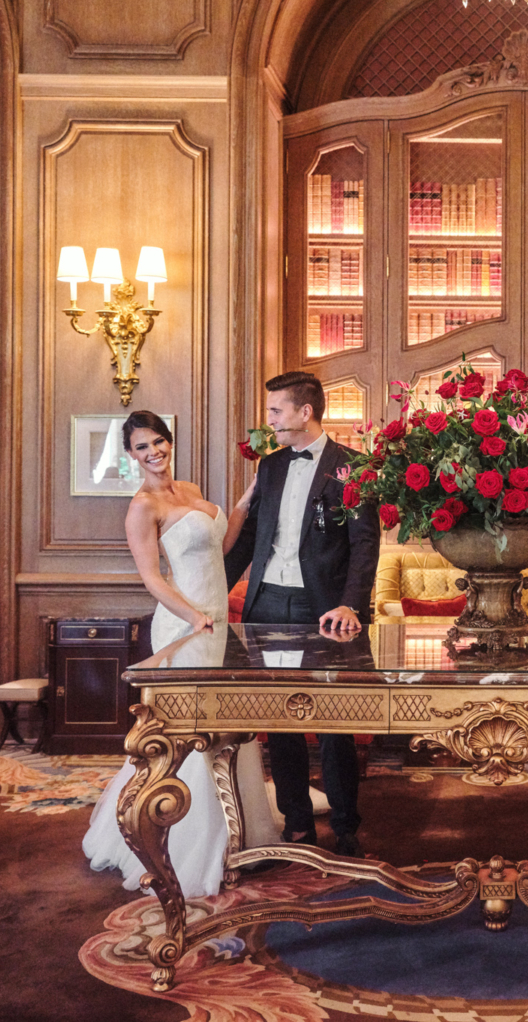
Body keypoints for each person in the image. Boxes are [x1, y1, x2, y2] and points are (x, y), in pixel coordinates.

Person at [82, 410, 281, 897]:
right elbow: (152, 578)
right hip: (184, 625)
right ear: (131, 455)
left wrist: (247, 498)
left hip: (218, 623)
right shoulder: (142, 506)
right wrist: (193, 617)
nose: (154, 452)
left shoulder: (190, 490)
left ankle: (242, 831)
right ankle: (187, 840)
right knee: (185, 734)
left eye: (159, 442)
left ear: (170, 442)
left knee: (225, 724)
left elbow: (224, 546)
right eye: (142, 446)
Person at [224, 371, 379, 857]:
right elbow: (251, 538)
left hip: (325, 609)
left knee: (334, 721)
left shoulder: (352, 467)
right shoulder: (268, 467)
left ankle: (346, 822)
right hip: (267, 602)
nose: (269, 420)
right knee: (282, 717)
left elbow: (364, 545)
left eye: (275, 412)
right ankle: (296, 821)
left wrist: (350, 603)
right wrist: (213, 592)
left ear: (304, 412)